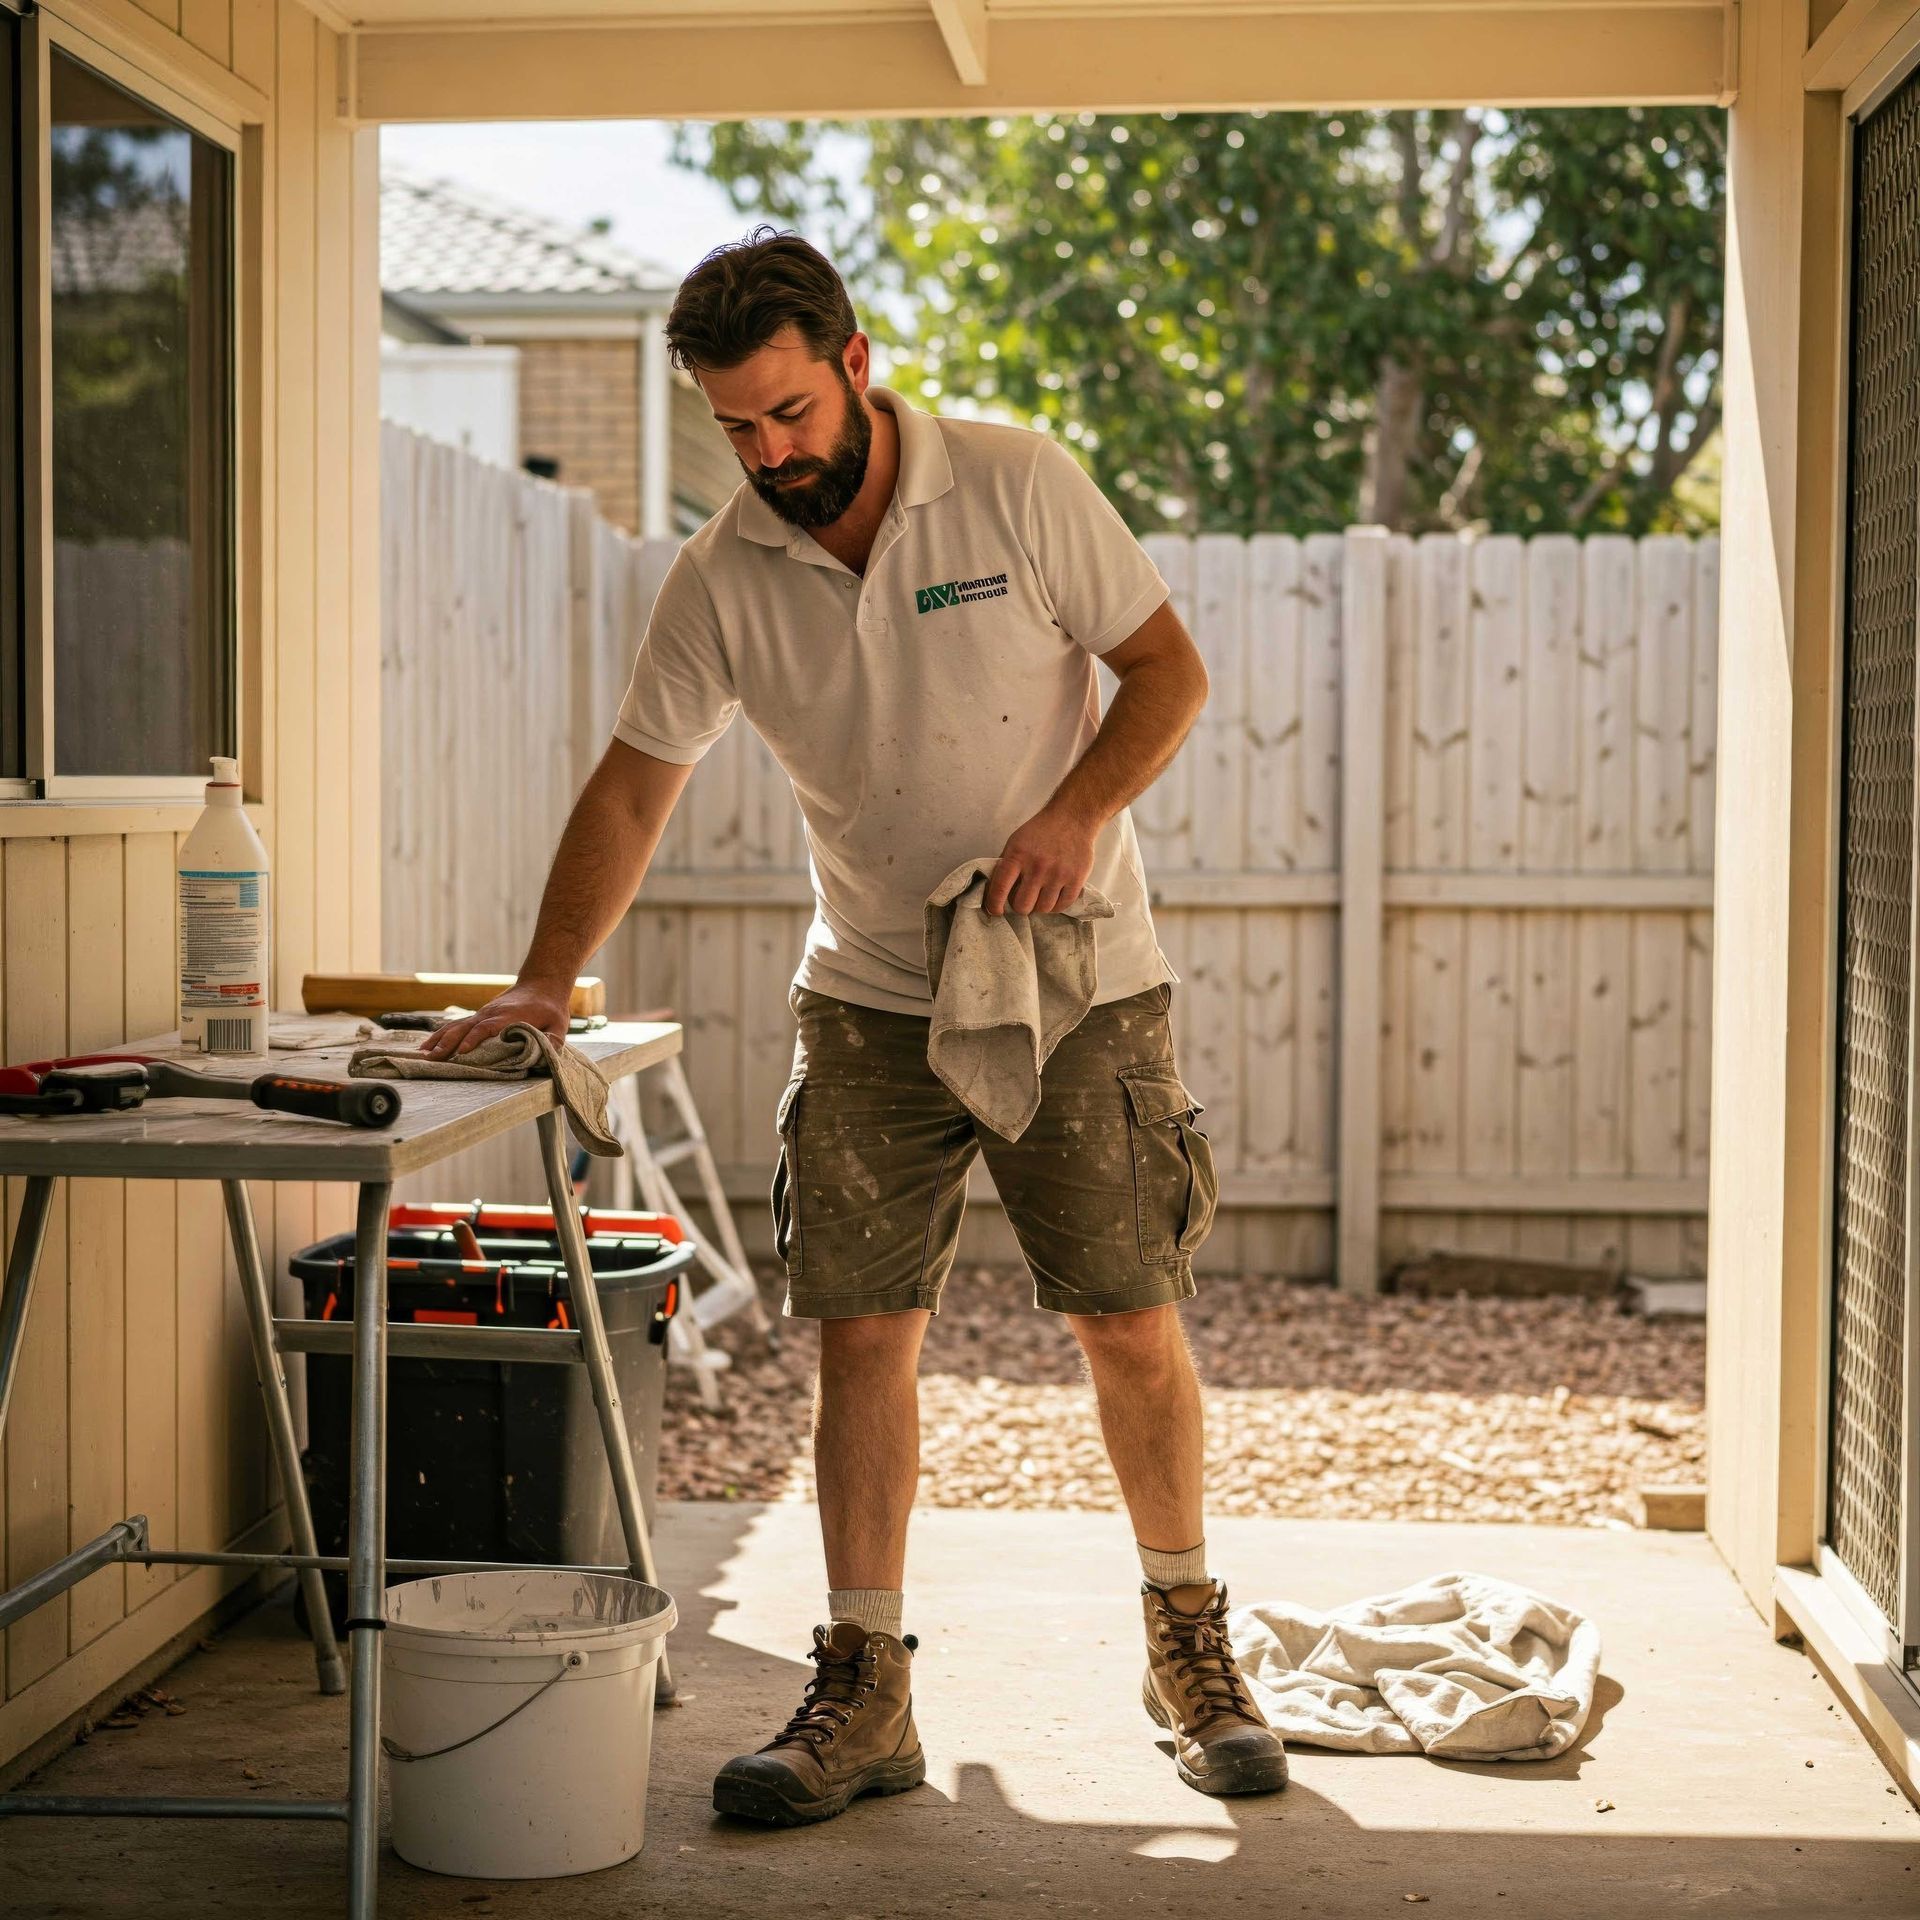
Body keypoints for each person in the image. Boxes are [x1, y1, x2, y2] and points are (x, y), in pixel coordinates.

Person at [425, 229, 1287, 1822]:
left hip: (1073, 975)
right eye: (735, 431)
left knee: (1124, 1314)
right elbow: (635, 783)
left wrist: (1078, 813)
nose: (768, 457)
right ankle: (868, 1690)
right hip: (872, 990)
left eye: (789, 417)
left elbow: (1166, 670)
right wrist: (546, 981)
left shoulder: (1019, 485)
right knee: (864, 1335)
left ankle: (1186, 1644)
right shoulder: (724, 573)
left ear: (856, 365)